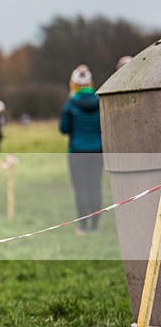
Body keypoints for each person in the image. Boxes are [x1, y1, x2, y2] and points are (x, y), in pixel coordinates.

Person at [59, 65, 102, 235]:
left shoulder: (70, 104)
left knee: (81, 189)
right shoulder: (100, 101)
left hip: (77, 151)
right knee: (95, 187)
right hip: (97, 151)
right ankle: (95, 225)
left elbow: (64, 128)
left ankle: (83, 226)